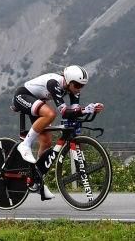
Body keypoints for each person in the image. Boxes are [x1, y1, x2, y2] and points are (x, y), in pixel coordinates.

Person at [11, 66, 103, 200]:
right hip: (22, 96)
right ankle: (25, 144)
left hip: (37, 101)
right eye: (77, 85)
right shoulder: (54, 83)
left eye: (82, 86)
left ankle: (37, 178)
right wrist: (86, 109)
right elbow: (64, 112)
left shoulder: (74, 91)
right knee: (50, 113)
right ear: (68, 81)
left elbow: (73, 113)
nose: (79, 88)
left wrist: (92, 109)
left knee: (47, 141)